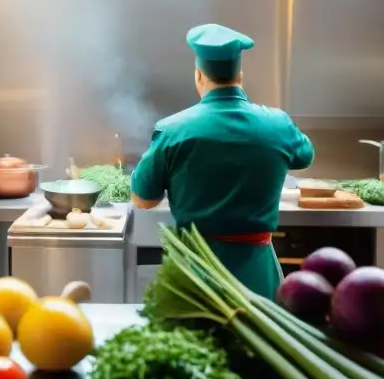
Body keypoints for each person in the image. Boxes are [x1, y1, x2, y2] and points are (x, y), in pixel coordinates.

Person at [130, 23, 315, 299]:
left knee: (193, 341)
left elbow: (142, 199)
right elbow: (304, 157)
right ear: (239, 75)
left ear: (198, 76)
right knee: (258, 340)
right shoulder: (277, 123)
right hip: (257, 275)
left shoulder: (171, 130)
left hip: (195, 273)